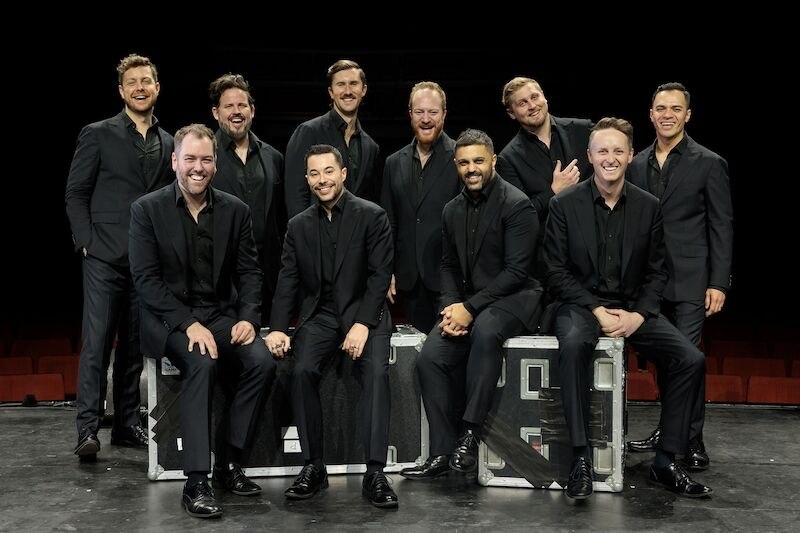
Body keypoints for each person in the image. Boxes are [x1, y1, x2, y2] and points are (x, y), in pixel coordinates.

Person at [542, 117, 711, 500]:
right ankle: (581, 458)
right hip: (580, 305)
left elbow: (657, 271)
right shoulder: (563, 204)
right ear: (589, 156)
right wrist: (595, 310)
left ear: (631, 156)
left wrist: (638, 315)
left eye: (619, 150)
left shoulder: (649, 207)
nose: (610, 157)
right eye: (602, 150)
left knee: (690, 359)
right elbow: (554, 270)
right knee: (571, 344)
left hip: (632, 309)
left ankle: (666, 460)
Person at [129, 124, 277, 519]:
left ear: (216, 164)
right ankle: (196, 480)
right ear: (175, 161)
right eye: (190, 159)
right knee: (201, 362)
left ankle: (227, 462)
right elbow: (146, 281)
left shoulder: (235, 209)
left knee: (261, 363)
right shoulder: (146, 209)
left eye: (206, 159)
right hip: (169, 320)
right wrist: (186, 324)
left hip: (219, 316)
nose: (198, 167)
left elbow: (250, 273)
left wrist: (248, 318)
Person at [400, 129, 542, 480]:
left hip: (515, 298)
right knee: (430, 357)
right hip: (471, 304)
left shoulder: (517, 204)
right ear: (456, 165)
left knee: (486, 332)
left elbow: (516, 272)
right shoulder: (452, 209)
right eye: (464, 162)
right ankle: (442, 451)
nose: (471, 168)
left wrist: (471, 309)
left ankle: (469, 434)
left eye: (478, 160)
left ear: (493, 160)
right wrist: (450, 308)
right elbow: (448, 265)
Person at [265, 144, 397, 509]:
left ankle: (374, 472)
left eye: (328, 172)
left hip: (364, 312)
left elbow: (378, 277)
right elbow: (288, 281)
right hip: (321, 315)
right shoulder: (298, 226)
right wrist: (277, 327)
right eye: (314, 174)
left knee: (374, 372)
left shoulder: (372, 216)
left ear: (343, 174)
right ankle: (313, 466)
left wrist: (362, 324)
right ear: (307, 179)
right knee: (301, 369)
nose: (322, 180)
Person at [65, 53, 174, 460]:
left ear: (157, 87)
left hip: (146, 261)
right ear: (122, 90)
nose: (140, 87)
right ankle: (87, 431)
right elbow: (76, 192)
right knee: (96, 345)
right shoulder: (97, 133)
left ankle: (127, 427)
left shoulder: (171, 141)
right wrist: (85, 242)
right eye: (133, 82)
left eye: (147, 80)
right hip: (104, 256)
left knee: (134, 348)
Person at [626, 82, 734, 471]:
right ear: (651, 114)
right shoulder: (635, 164)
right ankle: (670, 429)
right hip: (648, 284)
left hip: (691, 281)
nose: (667, 114)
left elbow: (722, 226)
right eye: (660, 108)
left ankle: (691, 440)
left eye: (675, 108)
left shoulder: (709, 162)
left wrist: (718, 282)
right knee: (664, 361)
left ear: (688, 115)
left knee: (686, 358)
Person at [380, 81, 460, 332]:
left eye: (433, 112)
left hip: (451, 279)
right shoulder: (394, 162)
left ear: (444, 114)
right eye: (419, 112)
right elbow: (388, 222)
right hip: (410, 279)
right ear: (410, 114)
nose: (426, 119)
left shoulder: (461, 157)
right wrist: (387, 270)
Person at [208, 73, 286, 320]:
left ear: (252, 110)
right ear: (215, 113)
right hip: (220, 274)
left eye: (242, 105)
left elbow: (281, 216)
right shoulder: (205, 157)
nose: (236, 111)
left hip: (266, 272)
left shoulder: (273, 157)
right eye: (228, 106)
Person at [284, 59, 381, 218]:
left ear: (363, 90)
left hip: (355, 237)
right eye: (341, 84)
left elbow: (370, 199)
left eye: (354, 84)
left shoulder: (371, 146)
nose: (347, 91)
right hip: (316, 234)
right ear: (331, 92)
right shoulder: (308, 132)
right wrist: (303, 236)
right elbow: (296, 194)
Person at [496, 76, 592, 223]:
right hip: (550, 241)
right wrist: (553, 191)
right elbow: (520, 215)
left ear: (544, 96)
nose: (532, 105)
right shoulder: (508, 159)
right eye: (522, 103)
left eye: (535, 97)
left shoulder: (583, 130)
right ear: (511, 113)